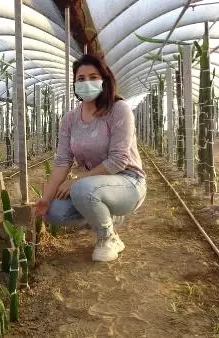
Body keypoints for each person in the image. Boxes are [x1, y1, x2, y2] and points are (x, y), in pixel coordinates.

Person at [33, 54, 146, 262]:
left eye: (93, 77)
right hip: (93, 184)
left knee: (82, 189)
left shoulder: (118, 110)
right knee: (54, 212)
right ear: (75, 84)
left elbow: (118, 160)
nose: (87, 83)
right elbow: (62, 161)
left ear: (104, 79)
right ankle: (104, 214)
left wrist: (80, 181)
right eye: (81, 78)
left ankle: (108, 238)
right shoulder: (69, 120)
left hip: (129, 183)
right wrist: (45, 200)